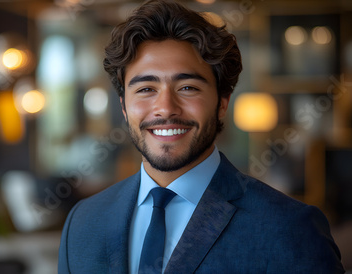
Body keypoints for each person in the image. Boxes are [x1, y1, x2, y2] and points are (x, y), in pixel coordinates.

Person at [58, 0, 345, 273]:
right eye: (146, 89)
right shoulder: (82, 223)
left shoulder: (290, 228)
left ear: (222, 102)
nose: (166, 109)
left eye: (187, 88)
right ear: (123, 107)